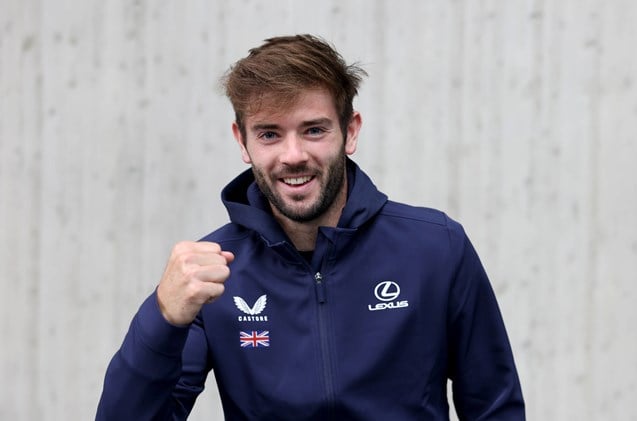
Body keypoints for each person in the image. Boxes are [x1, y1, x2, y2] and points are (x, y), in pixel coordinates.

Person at [96, 34, 525, 420]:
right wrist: (162, 316)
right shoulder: (215, 274)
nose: (293, 155)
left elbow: (494, 409)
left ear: (349, 132)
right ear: (241, 141)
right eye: (269, 134)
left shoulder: (436, 248)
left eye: (314, 130)